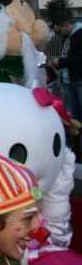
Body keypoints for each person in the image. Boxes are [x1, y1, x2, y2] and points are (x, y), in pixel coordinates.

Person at [51, 17, 82, 162]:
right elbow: (57, 54)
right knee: (72, 118)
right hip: (68, 82)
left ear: (66, 24)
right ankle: (76, 152)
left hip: (79, 81)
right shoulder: (64, 38)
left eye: (60, 32)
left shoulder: (79, 34)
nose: (60, 36)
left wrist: (62, 62)